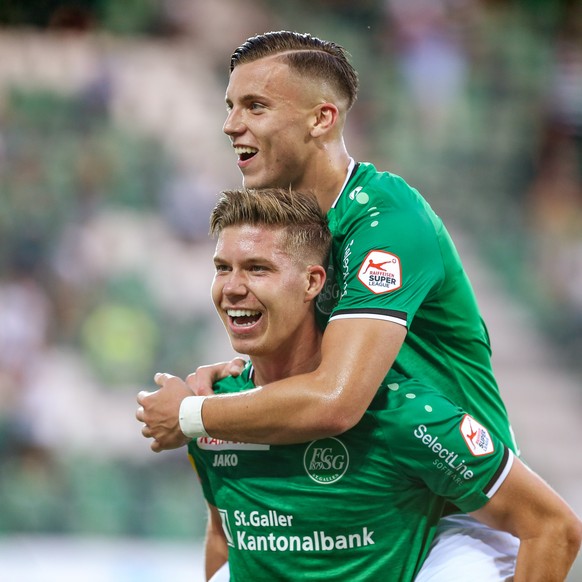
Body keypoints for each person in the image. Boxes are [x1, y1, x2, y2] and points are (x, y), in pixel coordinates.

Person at [136, 31, 579, 578]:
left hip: (456, 505)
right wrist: (244, 376)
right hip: (362, 488)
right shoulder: (293, 229)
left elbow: (336, 400)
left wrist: (191, 414)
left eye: (255, 106)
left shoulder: (385, 222)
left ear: (321, 119)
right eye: (229, 107)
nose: (231, 125)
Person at [180, 186, 581, 581]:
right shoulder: (214, 411)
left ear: (312, 282)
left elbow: (554, 529)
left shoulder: (404, 415)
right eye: (222, 268)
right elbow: (223, 535)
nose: (232, 288)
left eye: (257, 268)